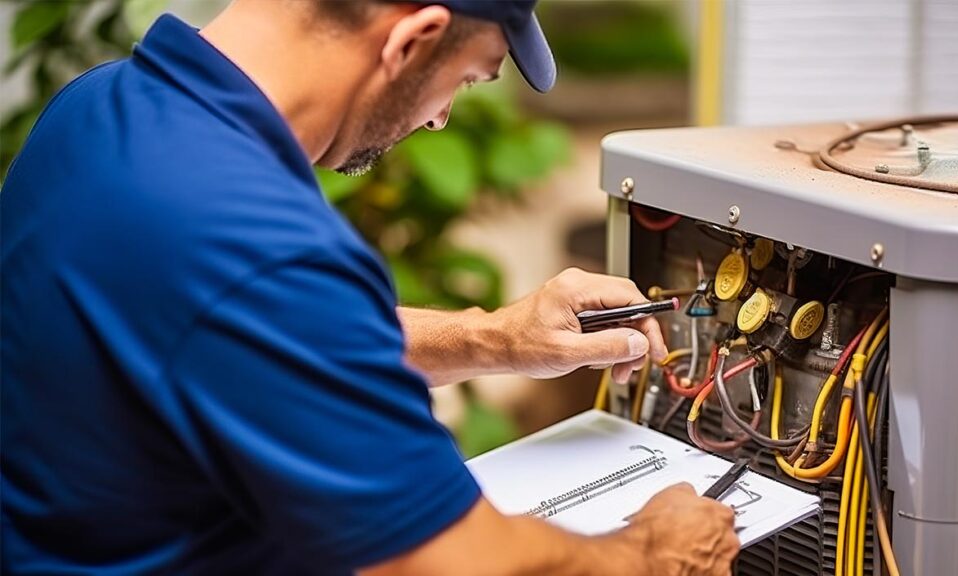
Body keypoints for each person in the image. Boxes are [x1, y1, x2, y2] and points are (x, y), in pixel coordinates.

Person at [0, 1, 740, 574]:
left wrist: (494, 338)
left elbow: (238, 333)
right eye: (467, 78)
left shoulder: (96, 112)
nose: (443, 114)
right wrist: (654, 554)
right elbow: (455, 562)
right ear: (412, 39)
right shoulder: (256, 242)